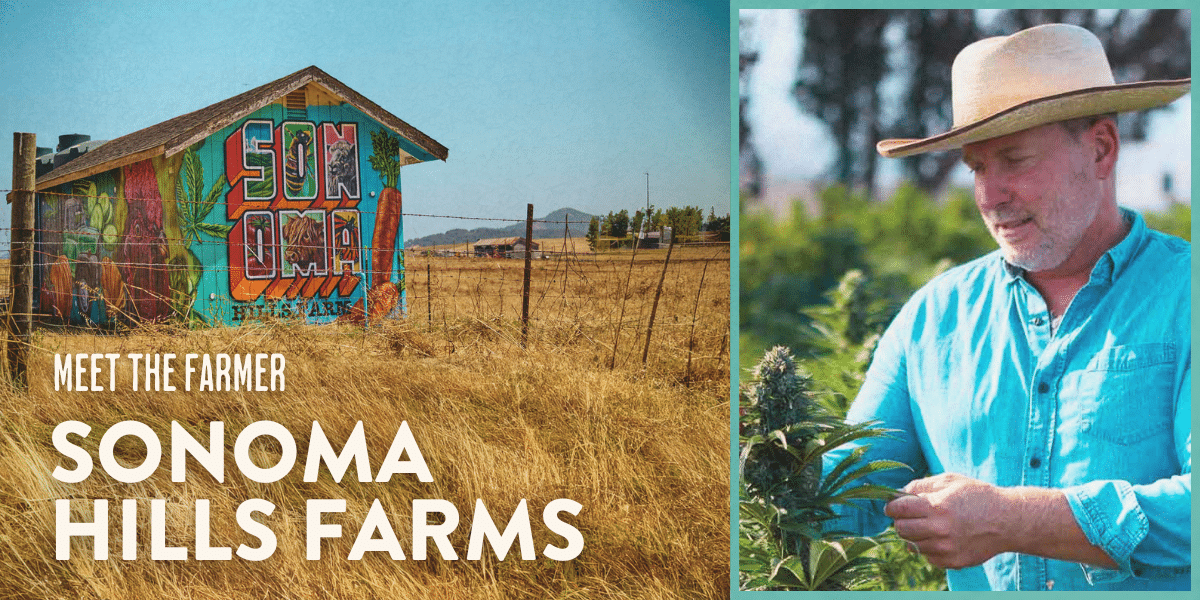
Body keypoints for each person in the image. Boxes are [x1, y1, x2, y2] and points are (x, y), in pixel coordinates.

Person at [823, 23, 1191, 591]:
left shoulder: (1185, 294)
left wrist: (1011, 519)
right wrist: (755, 453)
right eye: (976, 168)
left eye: (1014, 160)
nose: (990, 196)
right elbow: (846, 489)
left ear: (1100, 149)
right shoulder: (932, 318)